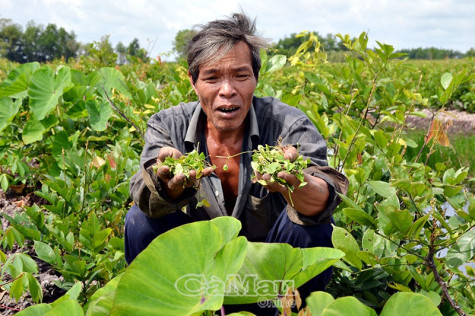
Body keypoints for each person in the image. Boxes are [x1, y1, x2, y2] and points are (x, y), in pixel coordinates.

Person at [125, 12, 348, 314]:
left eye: (240, 76)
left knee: (315, 227)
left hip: (267, 283)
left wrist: (296, 185)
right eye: (212, 77)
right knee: (140, 221)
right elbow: (143, 193)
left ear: (255, 78)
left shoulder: (288, 125)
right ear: (193, 81)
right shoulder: (168, 126)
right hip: (196, 280)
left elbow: (326, 193)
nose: (227, 90)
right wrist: (169, 187)